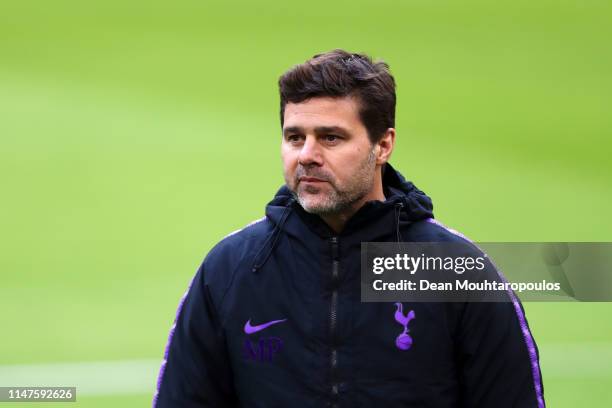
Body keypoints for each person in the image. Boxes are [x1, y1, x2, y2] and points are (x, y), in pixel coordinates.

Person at [153, 49, 545, 407]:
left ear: (384, 145)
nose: (307, 156)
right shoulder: (232, 268)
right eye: (295, 138)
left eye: (330, 137)